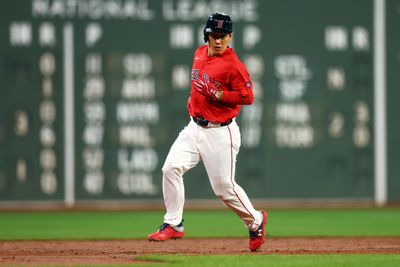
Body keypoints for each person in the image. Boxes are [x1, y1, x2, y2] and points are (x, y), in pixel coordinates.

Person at [148, 12, 267, 251]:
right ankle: (173, 223)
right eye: (215, 35)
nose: (219, 40)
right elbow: (199, 87)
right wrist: (194, 103)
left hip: (221, 132)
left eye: (224, 35)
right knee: (170, 168)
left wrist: (221, 94)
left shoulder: (234, 66)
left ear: (230, 37)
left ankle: (256, 221)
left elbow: (248, 97)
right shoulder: (199, 54)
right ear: (207, 35)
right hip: (195, 127)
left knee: (223, 188)